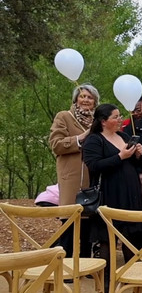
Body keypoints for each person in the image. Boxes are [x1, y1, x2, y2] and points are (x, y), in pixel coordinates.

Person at [81, 103, 142, 291]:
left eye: (120, 116)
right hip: (109, 193)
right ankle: (106, 280)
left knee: (130, 235)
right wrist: (120, 156)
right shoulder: (94, 140)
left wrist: (138, 154)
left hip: (129, 193)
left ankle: (131, 277)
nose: (120, 120)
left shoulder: (124, 136)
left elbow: (138, 165)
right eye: (115, 117)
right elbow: (94, 165)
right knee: (107, 237)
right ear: (103, 121)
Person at [49, 84, 99, 257]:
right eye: (82, 96)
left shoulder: (98, 121)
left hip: (93, 179)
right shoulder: (64, 117)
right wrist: (80, 138)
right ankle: (67, 266)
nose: (85, 100)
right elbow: (56, 145)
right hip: (72, 179)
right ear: (76, 99)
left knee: (88, 226)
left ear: (95, 102)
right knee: (69, 224)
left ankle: (85, 265)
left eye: (89, 97)